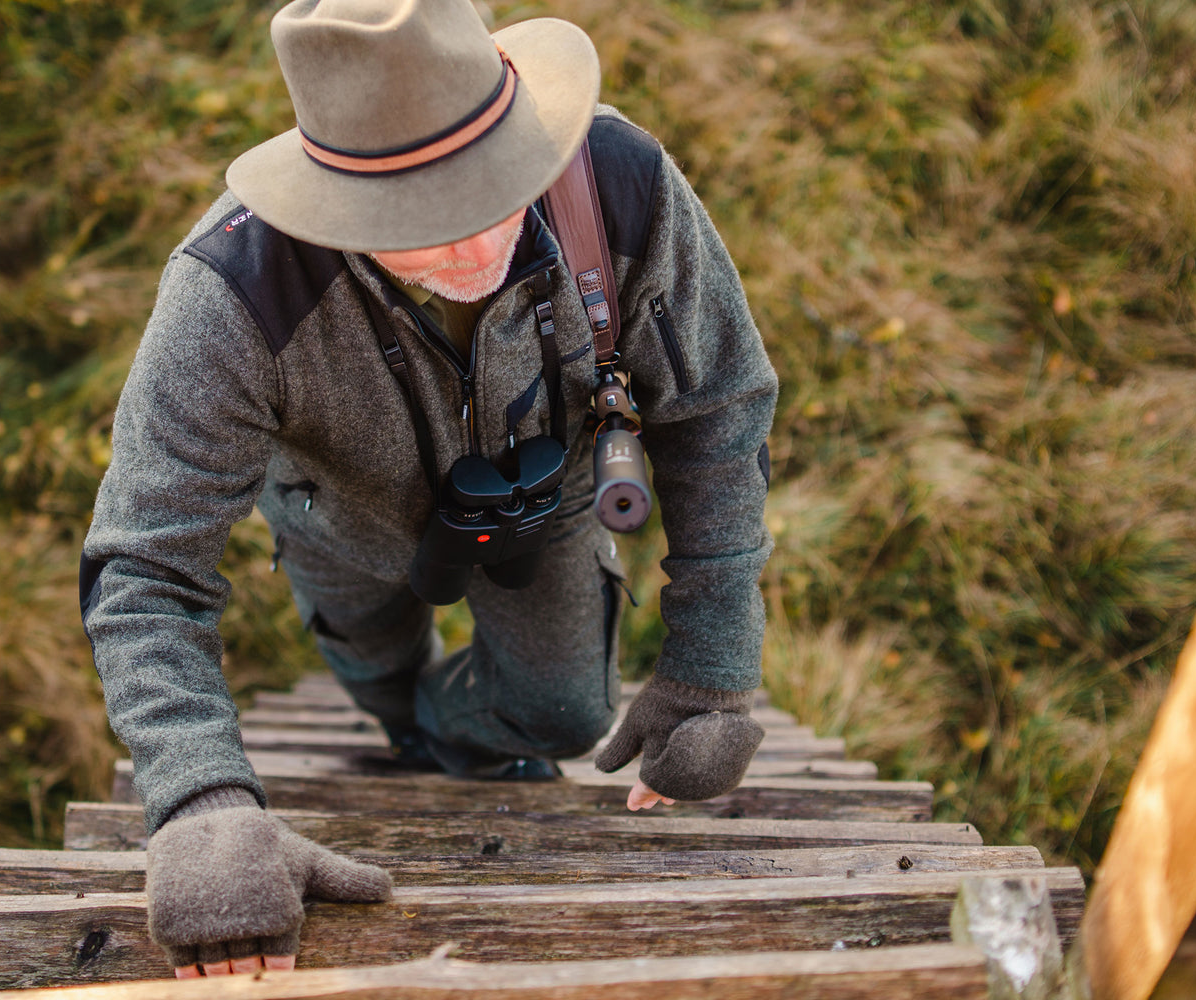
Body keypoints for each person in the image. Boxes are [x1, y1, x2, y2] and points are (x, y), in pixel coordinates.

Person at [80, 0, 778, 978]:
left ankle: (441, 728)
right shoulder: (232, 292)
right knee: (378, 680)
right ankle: (405, 711)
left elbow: (716, 408)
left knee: (567, 715)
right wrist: (200, 800)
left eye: (488, 188)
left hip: (548, 507)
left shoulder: (621, 189)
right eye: (415, 220)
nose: (469, 245)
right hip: (338, 530)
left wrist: (711, 662)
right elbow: (145, 560)